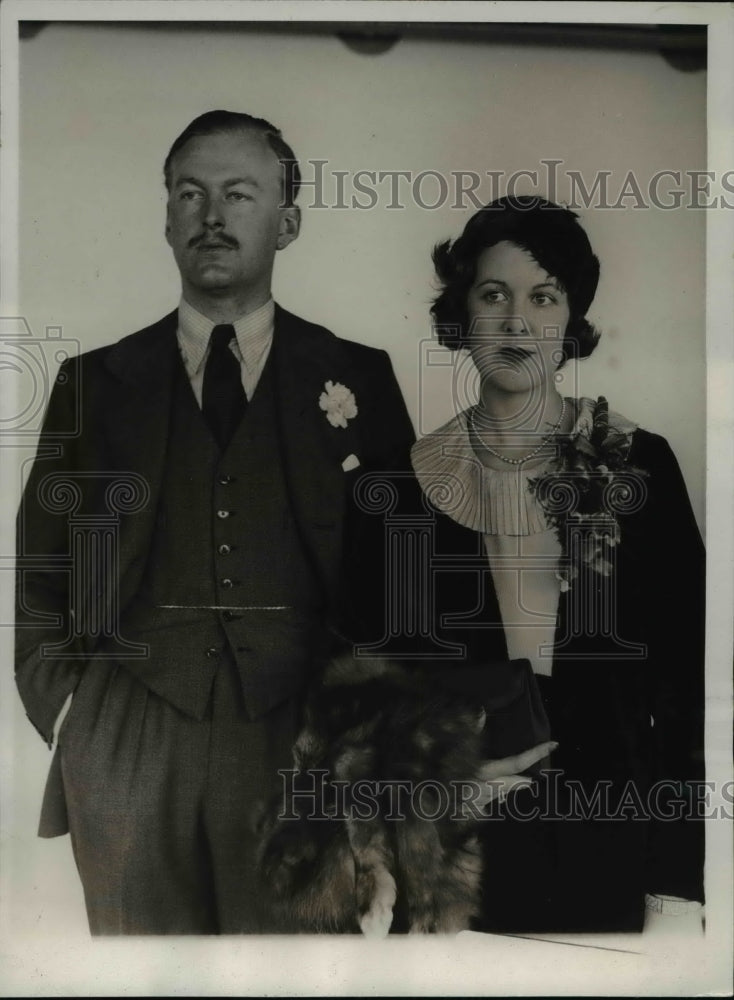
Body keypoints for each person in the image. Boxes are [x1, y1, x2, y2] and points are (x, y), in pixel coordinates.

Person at [14, 110, 416, 935]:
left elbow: (401, 578)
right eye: (189, 193)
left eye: (240, 193)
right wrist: (71, 717)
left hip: (300, 738)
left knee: (294, 978)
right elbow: (40, 571)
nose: (212, 215)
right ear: (166, 218)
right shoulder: (93, 384)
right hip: (128, 737)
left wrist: (366, 742)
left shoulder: (358, 378)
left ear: (288, 221)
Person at [403, 196, 705, 934]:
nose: (516, 323)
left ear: (570, 321)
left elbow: (691, 690)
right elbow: (376, 684)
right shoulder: (407, 479)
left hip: (615, 847)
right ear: (462, 313)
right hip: (459, 857)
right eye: (493, 294)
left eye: (544, 298)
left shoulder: (642, 464)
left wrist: (676, 883)